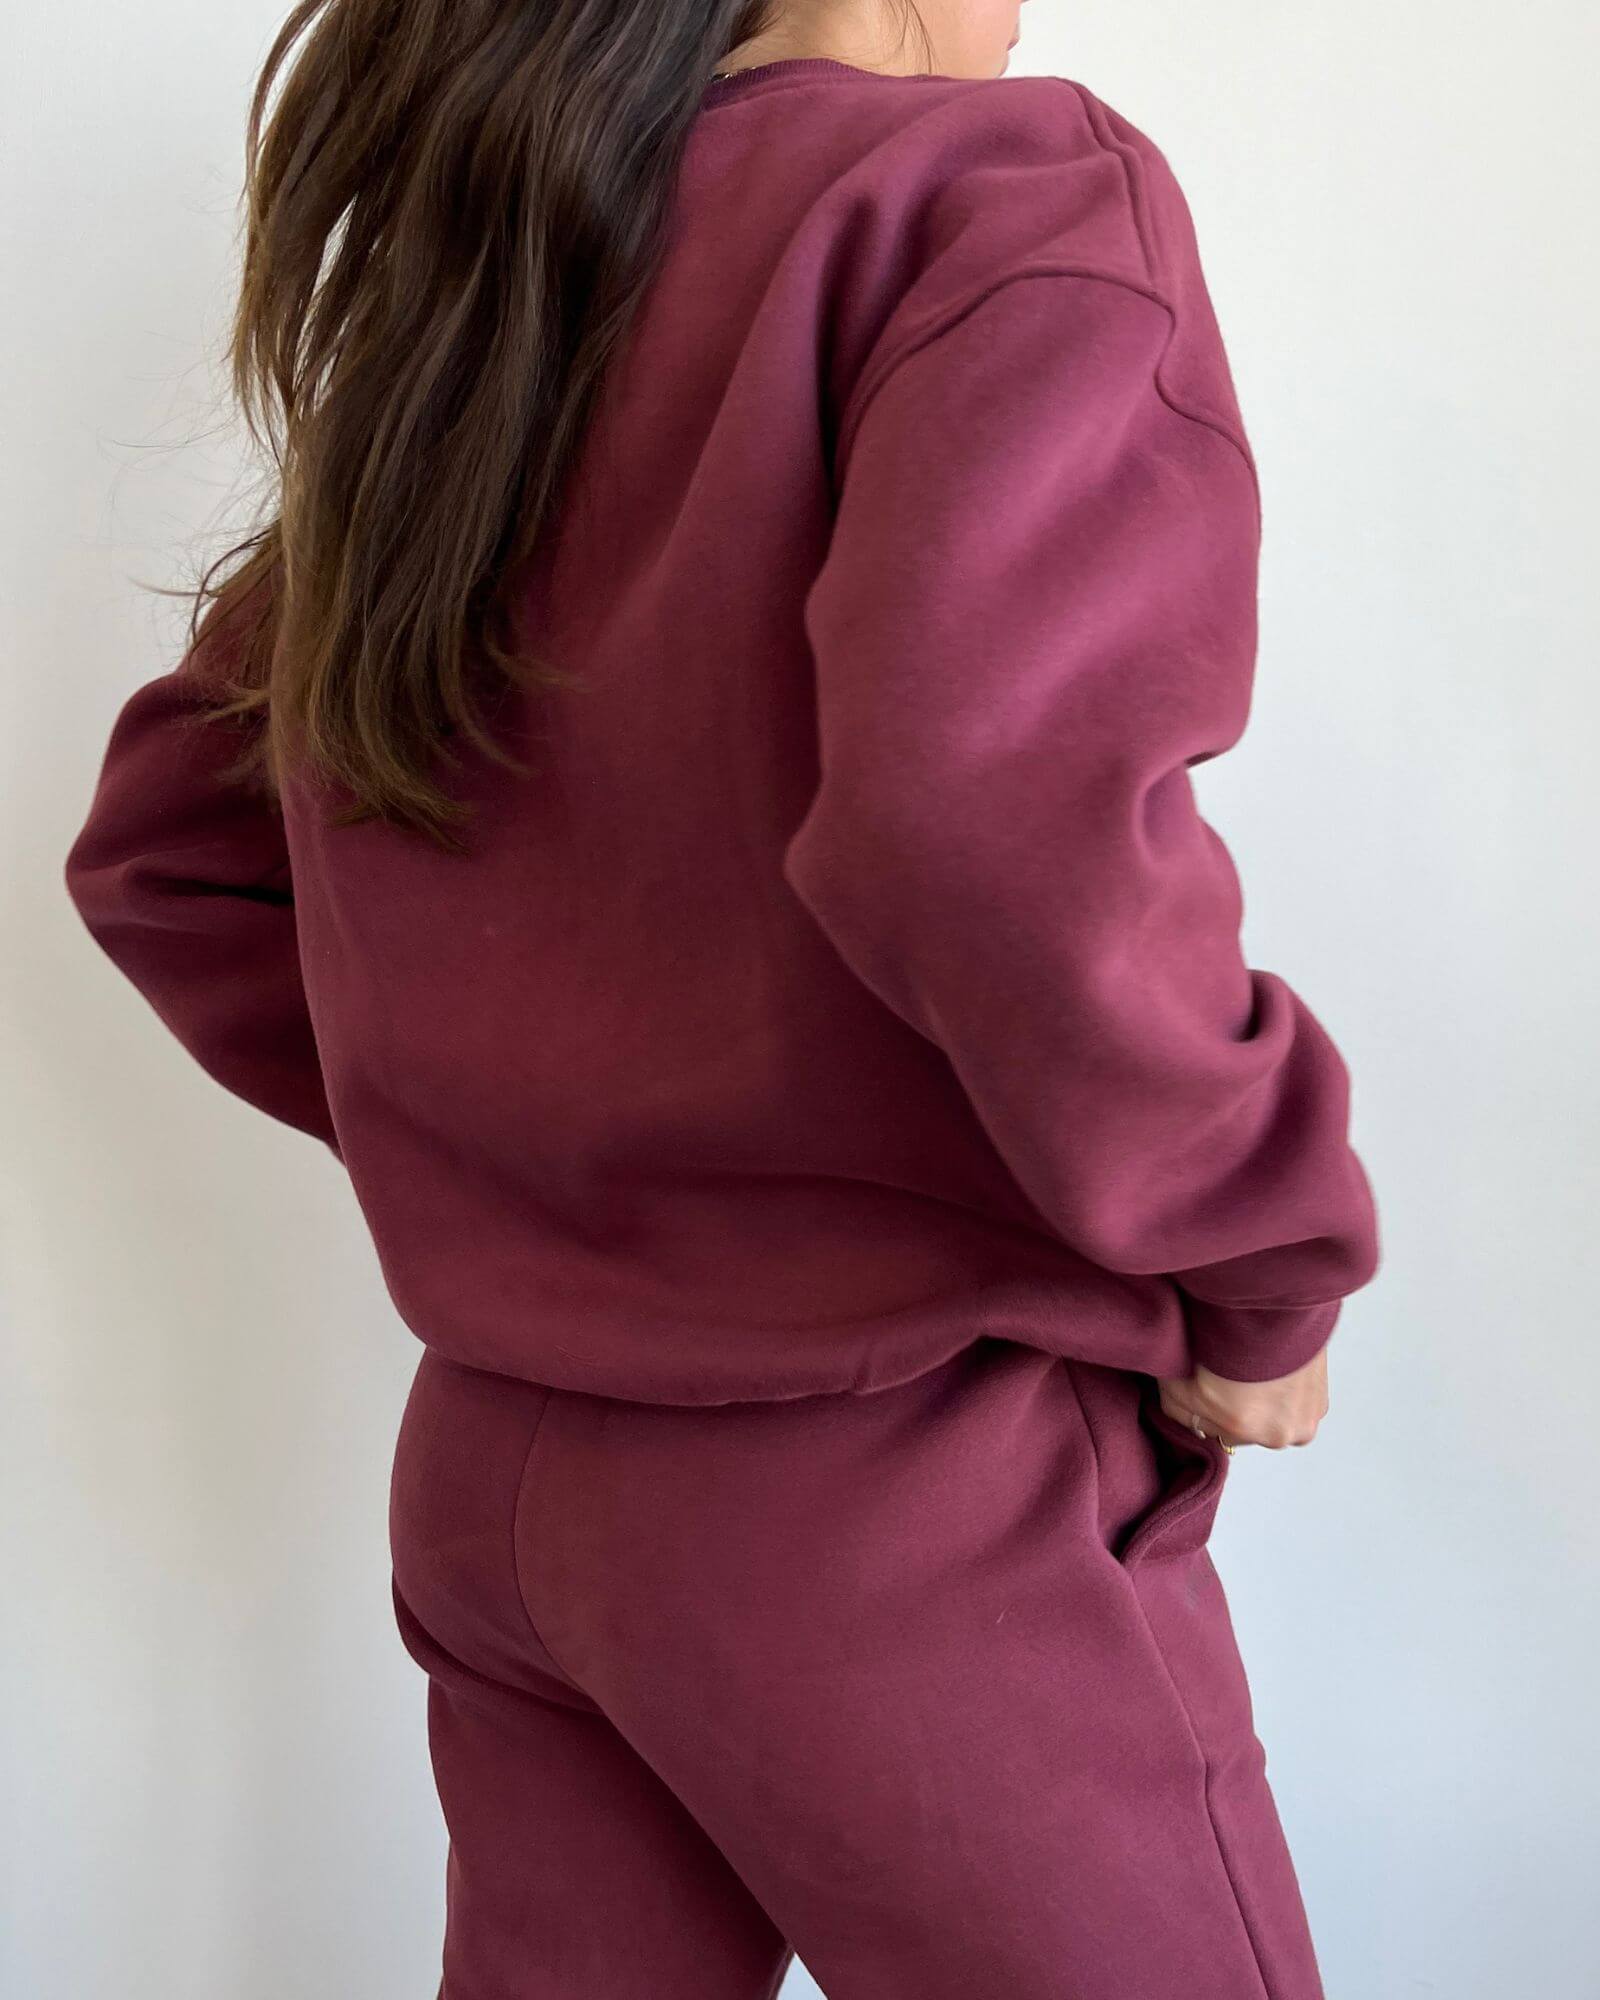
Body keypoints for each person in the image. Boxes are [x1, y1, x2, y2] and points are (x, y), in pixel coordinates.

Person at [62, 0, 1381, 1993]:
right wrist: (1254, 1248)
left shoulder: (513, 268)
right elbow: (985, 823)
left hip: (504, 1481)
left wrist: (558, 1133)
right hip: (889, 1508)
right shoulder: (989, 201)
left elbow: (174, 842)